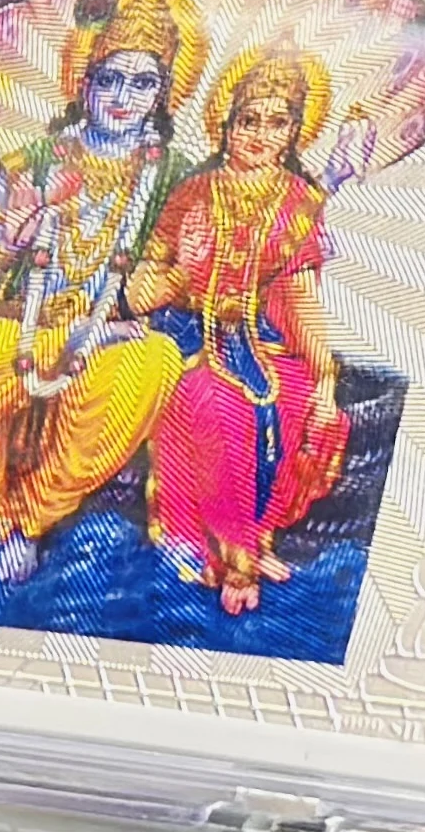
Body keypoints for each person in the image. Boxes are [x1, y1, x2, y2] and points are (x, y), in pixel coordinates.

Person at [0, 0, 202, 584]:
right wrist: (5, 242)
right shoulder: (36, 160)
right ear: (85, 83)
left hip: (109, 337)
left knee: (154, 364)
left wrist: (127, 306)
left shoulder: (176, 177)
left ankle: (30, 520)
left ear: (163, 92)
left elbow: (176, 274)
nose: (124, 98)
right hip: (20, 323)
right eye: (110, 79)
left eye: (143, 83)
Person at [127, 41, 348, 615]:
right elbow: (139, 294)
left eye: (277, 123)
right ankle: (231, 556)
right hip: (187, 339)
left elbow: (299, 297)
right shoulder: (192, 192)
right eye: (249, 120)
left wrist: (324, 378)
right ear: (225, 123)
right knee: (214, 406)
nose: (260, 135)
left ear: (295, 132)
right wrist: (182, 273)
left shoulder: (299, 202)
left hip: (262, 344)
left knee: (300, 402)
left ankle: (257, 538)